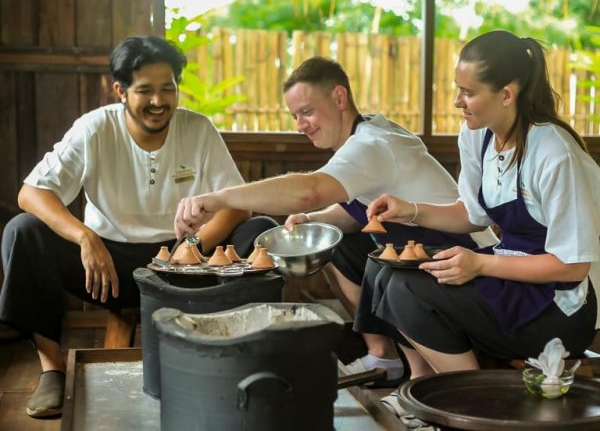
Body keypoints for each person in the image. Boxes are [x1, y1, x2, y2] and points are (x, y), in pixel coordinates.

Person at [174, 56, 496, 386]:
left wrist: (218, 198)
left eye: (307, 111)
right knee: (329, 239)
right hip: (420, 248)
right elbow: (357, 212)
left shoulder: (372, 144)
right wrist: (312, 219)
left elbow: (310, 191)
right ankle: (383, 356)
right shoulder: (363, 136)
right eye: (295, 116)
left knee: (388, 268)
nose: (301, 125)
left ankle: (428, 377)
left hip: (466, 255)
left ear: (339, 98)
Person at [0, 35, 276, 418]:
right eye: (145, 90)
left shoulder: (198, 129)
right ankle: (52, 370)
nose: (159, 101)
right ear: (120, 91)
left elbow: (237, 207)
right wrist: (85, 236)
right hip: (106, 264)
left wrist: (193, 245)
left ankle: (244, 360)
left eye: (168, 89)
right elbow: (32, 193)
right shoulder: (94, 128)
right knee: (23, 231)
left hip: (185, 265)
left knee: (260, 228)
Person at [366, 30, 600, 382]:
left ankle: (471, 401)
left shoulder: (554, 153)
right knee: (385, 270)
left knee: (408, 289)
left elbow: (572, 266)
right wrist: (408, 210)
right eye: (457, 89)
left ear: (506, 94)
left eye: (469, 92)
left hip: (559, 307)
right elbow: (471, 215)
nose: (458, 101)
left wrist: (480, 264)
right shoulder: (478, 135)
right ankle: (420, 385)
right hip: (510, 276)